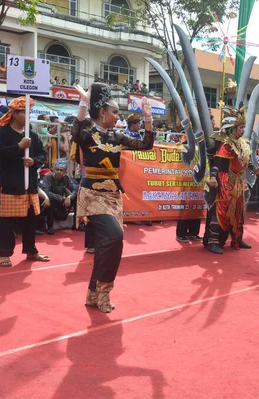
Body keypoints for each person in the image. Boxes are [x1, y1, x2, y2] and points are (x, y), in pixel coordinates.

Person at [72, 83, 154, 313]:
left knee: (104, 246)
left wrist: (147, 119)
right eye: (115, 112)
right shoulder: (89, 136)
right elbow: (76, 133)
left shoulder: (118, 136)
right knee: (114, 237)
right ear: (102, 113)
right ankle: (104, 291)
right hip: (91, 195)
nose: (118, 117)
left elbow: (146, 145)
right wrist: (83, 103)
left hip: (112, 197)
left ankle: (92, 293)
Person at [0, 96, 50, 267]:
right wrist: (19, 147)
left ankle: (31, 250)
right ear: (15, 114)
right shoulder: (2, 133)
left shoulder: (32, 135)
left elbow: (42, 156)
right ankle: (4, 254)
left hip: (30, 184)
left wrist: (34, 161)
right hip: (11, 183)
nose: (28, 116)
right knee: (7, 222)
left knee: (31, 221)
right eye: (25, 113)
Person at [203, 105, 256, 254]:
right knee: (221, 211)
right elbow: (218, 164)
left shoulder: (242, 143)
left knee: (239, 211)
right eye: (240, 127)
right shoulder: (226, 145)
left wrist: (252, 168)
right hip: (225, 181)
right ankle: (213, 241)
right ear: (232, 129)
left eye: (243, 127)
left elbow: (244, 162)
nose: (243, 130)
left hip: (239, 182)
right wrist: (213, 177)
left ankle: (237, 239)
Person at [42, 157, 77, 234]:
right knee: (49, 199)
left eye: (61, 170)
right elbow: (45, 191)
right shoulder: (48, 177)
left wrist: (69, 197)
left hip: (62, 203)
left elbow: (75, 189)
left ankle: (76, 224)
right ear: (54, 170)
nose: (59, 172)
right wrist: (61, 198)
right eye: (57, 169)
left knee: (76, 197)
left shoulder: (66, 178)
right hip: (51, 202)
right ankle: (50, 226)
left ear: (65, 172)